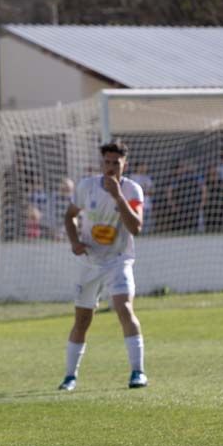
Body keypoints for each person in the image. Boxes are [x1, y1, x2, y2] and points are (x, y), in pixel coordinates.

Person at [59, 141, 148, 392]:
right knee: (82, 320)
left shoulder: (132, 190)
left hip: (118, 259)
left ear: (124, 164)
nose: (110, 168)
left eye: (116, 163)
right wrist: (75, 241)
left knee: (124, 308)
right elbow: (69, 216)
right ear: (102, 163)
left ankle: (138, 372)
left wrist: (118, 196)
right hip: (89, 262)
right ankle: (69, 376)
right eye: (107, 162)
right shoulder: (86, 187)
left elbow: (136, 228)